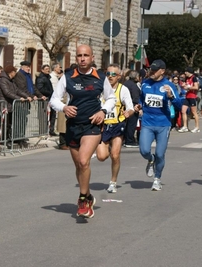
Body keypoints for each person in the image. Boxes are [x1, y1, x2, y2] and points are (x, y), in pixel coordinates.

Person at [50, 44, 116, 218]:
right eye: (79, 55)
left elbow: (111, 98)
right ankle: (87, 195)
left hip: (92, 125)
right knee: (79, 166)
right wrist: (64, 107)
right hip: (73, 126)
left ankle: (82, 200)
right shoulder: (67, 77)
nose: (82, 58)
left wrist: (103, 111)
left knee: (84, 161)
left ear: (92, 57)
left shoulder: (100, 77)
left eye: (86, 55)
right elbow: (53, 100)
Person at [134, 59, 182, 191]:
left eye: (155, 70)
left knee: (160, 154)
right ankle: (151, 159)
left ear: (162, 71)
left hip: (163, 124)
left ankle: (157, 179)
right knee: (144, 150)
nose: (152, 72)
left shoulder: (169, 85)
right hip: (148, 123)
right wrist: (139, 106)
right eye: (151, 70)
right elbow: (142, 100)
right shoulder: (145, 83)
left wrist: (171, 96)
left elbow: (179, 105)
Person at [96, 64, 134, 193]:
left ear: (119, 76)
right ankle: (108, 148)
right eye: (108, 74)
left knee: (115, 155)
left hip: (118, 125)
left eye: (113, 74)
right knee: (101, 157)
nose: (110, 77)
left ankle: (113, 181)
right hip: (103, 125)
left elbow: (131, 107)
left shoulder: (123, 90)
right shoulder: (100, 89)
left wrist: (128, 112)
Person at [0, 65, 32, 147]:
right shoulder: (3, 81)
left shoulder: (11, 81)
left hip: (11, 105)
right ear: (11, 72)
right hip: (4, 105)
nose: (15, 73)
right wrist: (19, 98)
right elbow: (7, 93)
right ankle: (4, 140)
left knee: (10, 123)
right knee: (5, 123)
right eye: (14, 72)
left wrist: (26, 96)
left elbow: (17, 90)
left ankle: (10, 139)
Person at [178, 67, 200, 133]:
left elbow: (196, 87)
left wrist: (189, 87)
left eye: (186, 72)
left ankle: (197, 127)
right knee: (183, 110)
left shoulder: (194, 78)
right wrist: (183, 86)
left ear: (189, 72)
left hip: (192, 96)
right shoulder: (187, 78)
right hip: (187, 96)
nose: (185, 73)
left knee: (194, 112)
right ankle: (185, 126)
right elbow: (186, 85)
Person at [123, 70, 141, 147]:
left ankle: (127, 139)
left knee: (127, 124)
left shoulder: (125, 83)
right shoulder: (133, 86)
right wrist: (137, 106)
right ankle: (129, 141)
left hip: (124, 107)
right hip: (132, 107)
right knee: (131, 124)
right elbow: (135, 97)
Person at [49, 63, 62, 136]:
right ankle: (50, 130)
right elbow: (54, 88)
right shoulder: (52, 77)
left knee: (54, 115)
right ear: (55, 69)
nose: (60, 69)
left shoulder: (57, 77)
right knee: (51, 115)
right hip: (53, 98)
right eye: (59, 67)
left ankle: (52, 129)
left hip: (57, 99)